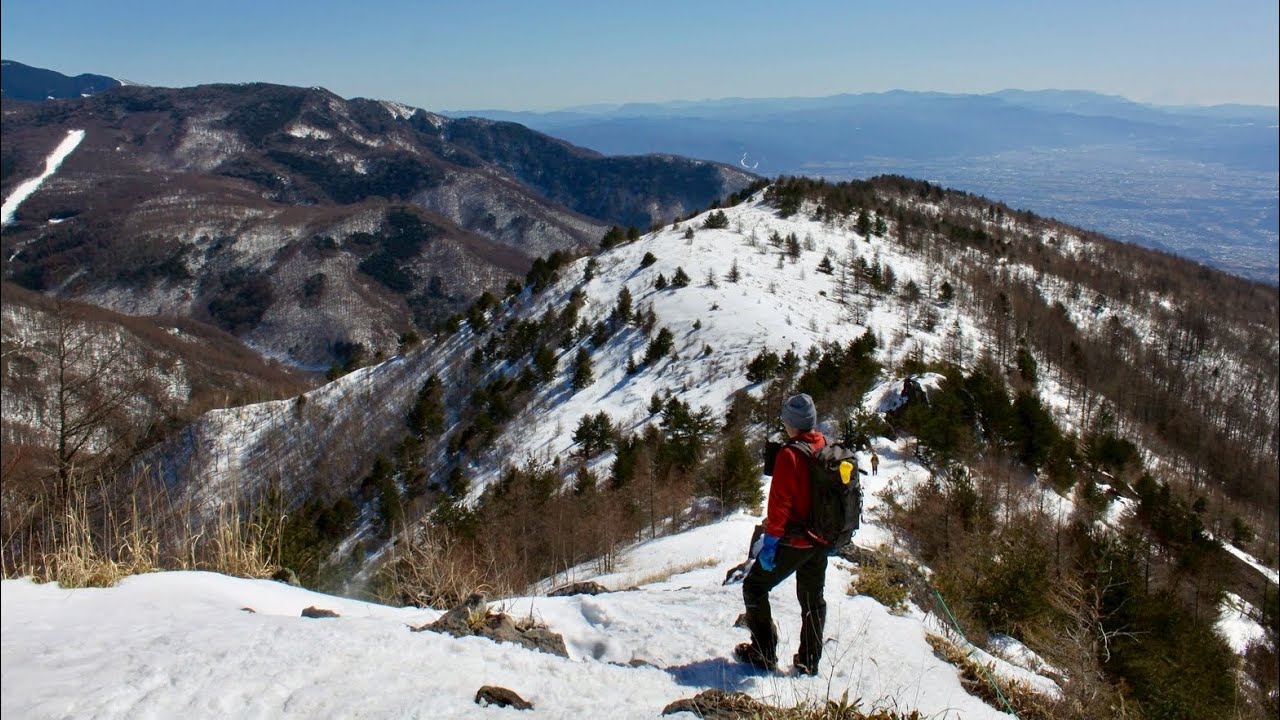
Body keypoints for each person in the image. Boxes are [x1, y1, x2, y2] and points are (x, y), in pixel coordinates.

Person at [735, 393, 828, 675]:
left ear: (791, 423)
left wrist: (771, 543)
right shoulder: (823, 445)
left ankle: (763, 653)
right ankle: (809, 660)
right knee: (813, 599)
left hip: (796, 539)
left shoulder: (789, 456)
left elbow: (779, 505)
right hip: (820, 539)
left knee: (754, 587)